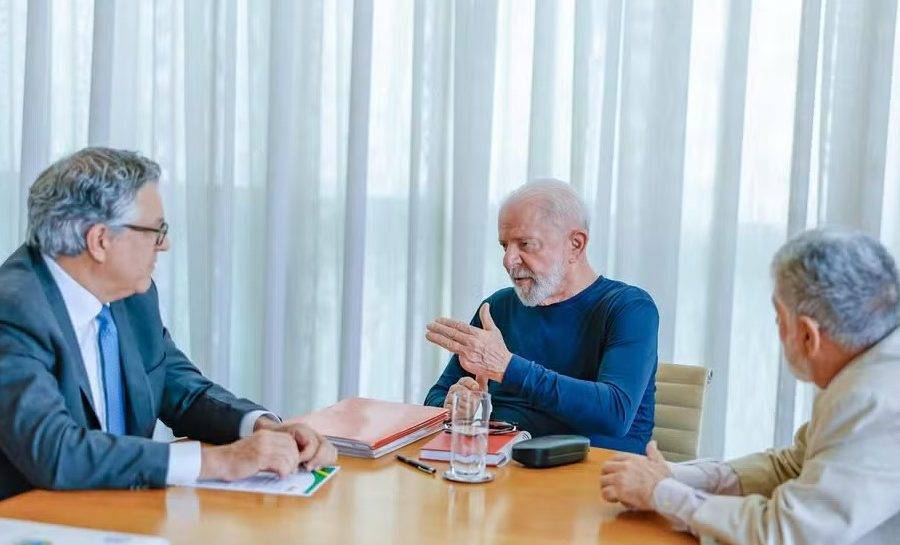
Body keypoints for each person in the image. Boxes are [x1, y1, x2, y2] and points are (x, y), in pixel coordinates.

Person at [0, 147, 336, 500]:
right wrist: (215, 462)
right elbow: (55, 451)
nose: (165, 244)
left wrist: (261, 428)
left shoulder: (131, 294)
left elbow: (180, 389)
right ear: (100, 241)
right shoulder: (13, 310)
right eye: (156, 231)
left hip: (117, 514)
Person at [600, 229, 900, 544]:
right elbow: (792, 465)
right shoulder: (869, 371)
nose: (777, 331)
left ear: (808, 335)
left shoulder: (873, 399)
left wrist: (662, 493)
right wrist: (674, 476)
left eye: (779, 318)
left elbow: (785, 534)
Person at [423, 180, 658, 453]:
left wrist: (507, 367)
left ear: (575, 245)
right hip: (503, 467)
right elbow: (436, 395)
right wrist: (452, 402)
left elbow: (615, 413)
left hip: (592, 476)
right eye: (504, 246)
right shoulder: (497, 307)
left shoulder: (629, 308)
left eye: (526, 244)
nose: (509, 260)